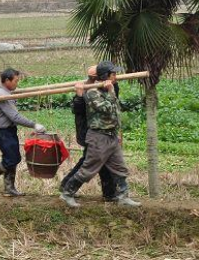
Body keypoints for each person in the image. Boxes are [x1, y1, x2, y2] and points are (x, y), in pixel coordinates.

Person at [59, 61, 141, 208]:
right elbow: (107, 109)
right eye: (113, 74)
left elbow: (117, 110)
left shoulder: (108, 89)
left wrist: (111, 90)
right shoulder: (92, 92)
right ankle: (67, 193)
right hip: (98, 137)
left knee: (120, 168)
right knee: (88, 169)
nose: (116, 76)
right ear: (105, 76)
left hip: (111, 136)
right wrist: (111, 92)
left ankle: (123, 196)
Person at [0, 68, 46, 196]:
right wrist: (34, 124)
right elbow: (14, 116)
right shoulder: (1, 94)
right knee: (12, 159)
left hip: (9, 130)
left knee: (12, 158)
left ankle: (9, 188)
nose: (17, 84)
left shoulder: (7, 92)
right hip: (2, 131)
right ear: (6, 81)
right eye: (15, 81)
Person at [59, 65, 119, 202]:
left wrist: (113, 86)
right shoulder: (87, 90)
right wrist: (79, 96)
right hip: (89, 133)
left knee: (104, 160)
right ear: (97, 77)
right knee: (89, 161)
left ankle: (109, 192)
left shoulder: (102, 87)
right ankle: (67, 187)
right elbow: (78, 109)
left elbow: (114, 103)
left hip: (101, 132)